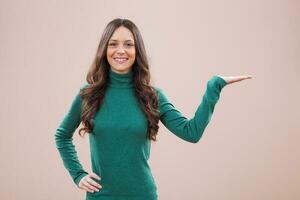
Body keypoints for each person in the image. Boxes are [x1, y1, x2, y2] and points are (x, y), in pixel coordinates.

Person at [54, 18, 252, 200]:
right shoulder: (88, 95)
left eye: (129, 44)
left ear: (137, 50)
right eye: (113, 44)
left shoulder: (152, 96)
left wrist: (214, 87)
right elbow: (62, 135)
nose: (120, 50)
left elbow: (192, 133)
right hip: (101, 197)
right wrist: (78, 174)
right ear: (104, 50)